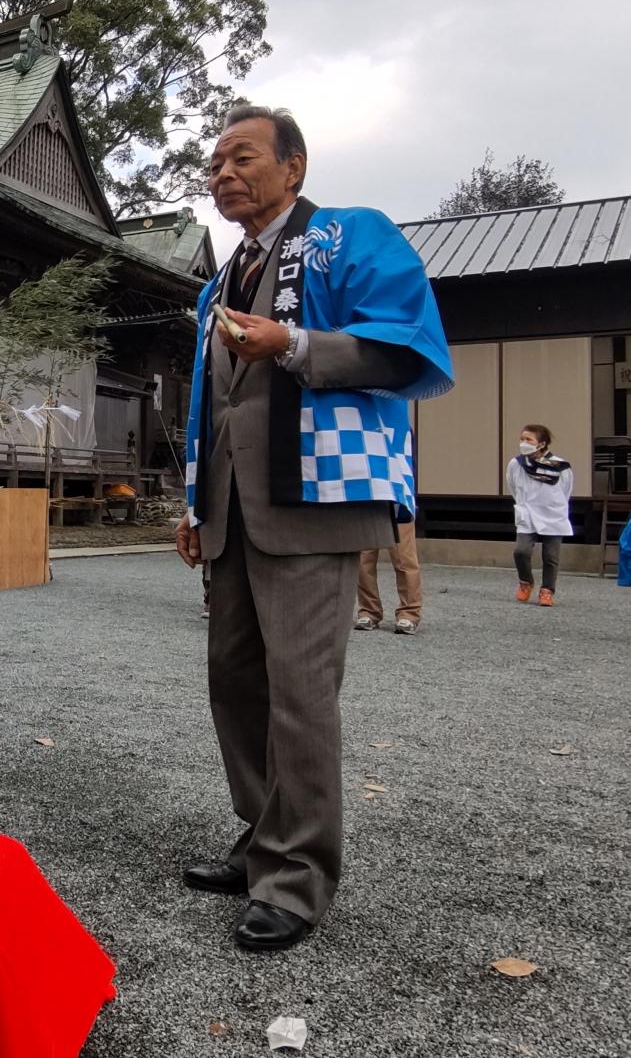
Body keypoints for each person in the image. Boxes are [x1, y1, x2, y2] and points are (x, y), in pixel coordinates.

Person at [175, 105, 452, 952]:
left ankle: (296, 876)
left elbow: (404, 352)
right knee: (237, 684)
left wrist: (294, 342)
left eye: (243, 157)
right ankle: (262, 837)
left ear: (293, 167)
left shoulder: (348, 236)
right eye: (214, 161)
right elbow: (207, 402)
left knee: (299, 693)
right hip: (232, 506)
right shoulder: (217, 282)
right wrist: (194, 500)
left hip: (316, 496)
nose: (223, 172)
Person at [506, 423, 573, 606]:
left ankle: (547, 590)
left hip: (553, 514)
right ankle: (526, 581)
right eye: (522, 439)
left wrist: (555, 506)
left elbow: (566, 490)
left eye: (528, 439)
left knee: (551, 556)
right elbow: (512, 486)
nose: (523, 442)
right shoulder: (516, 464)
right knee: (521, 551)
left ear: (541, 443)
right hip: (527, 513)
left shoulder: (561, 467)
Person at [355, 518, 423, 633]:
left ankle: (409, 613)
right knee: (363, 559)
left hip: (397, 503)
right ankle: (368, 610)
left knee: (403, 557)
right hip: (365, 503)